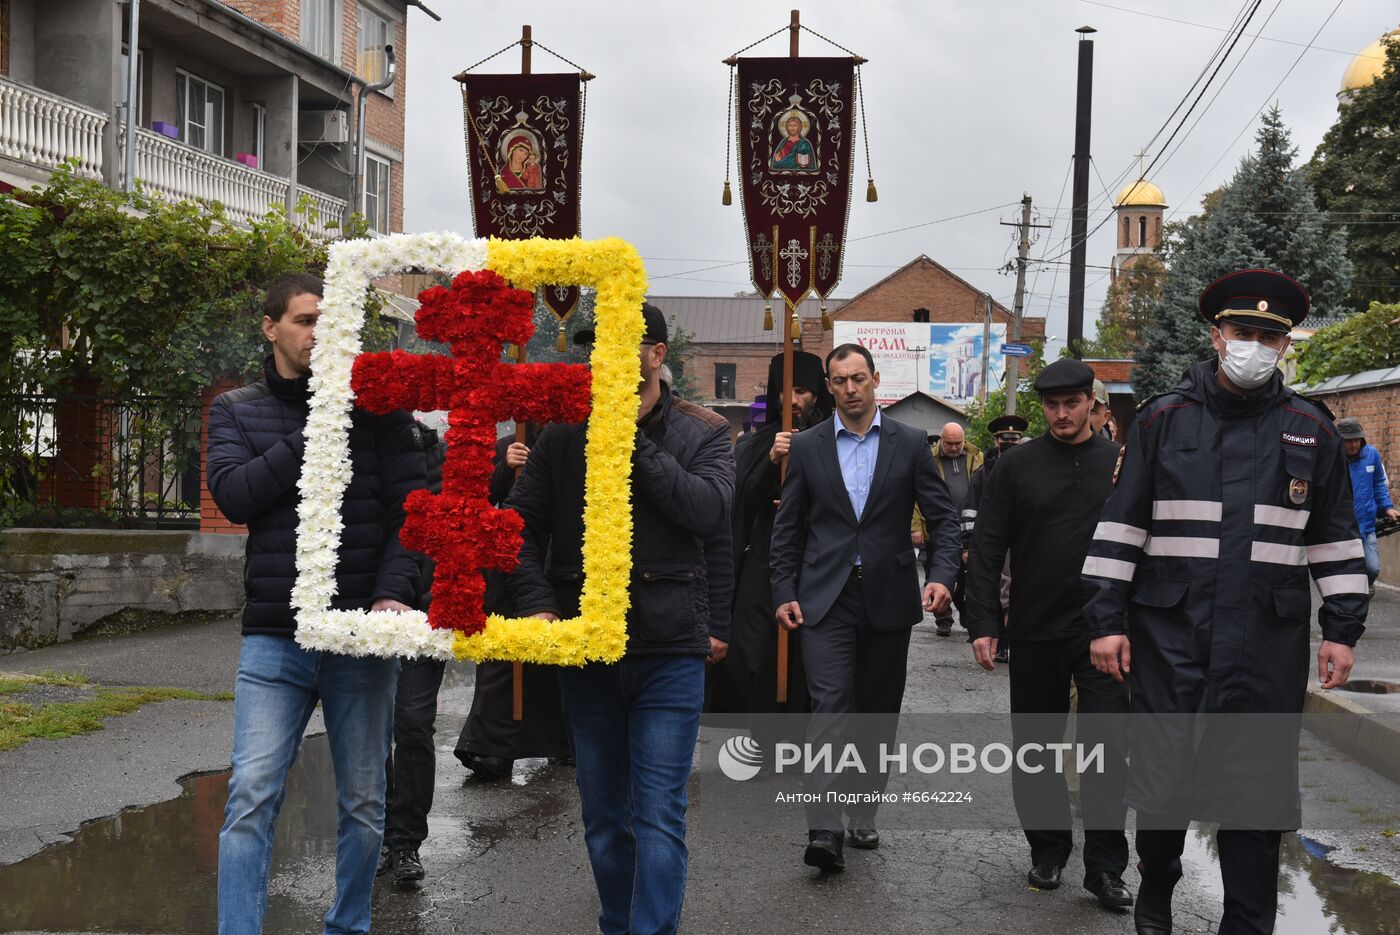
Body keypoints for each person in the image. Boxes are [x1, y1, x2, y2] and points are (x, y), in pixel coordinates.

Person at [1083, 269, 1369, 935]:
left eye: (1270, 337)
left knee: (1256, 798)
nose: (1255, 346)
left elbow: (1335, 539)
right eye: (1244, 332)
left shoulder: (1311, 429)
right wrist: (1105, 621)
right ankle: (1157, 885)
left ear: (1285, 345)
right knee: (1163, 787)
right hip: (1171, 641)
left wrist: (1342, 630)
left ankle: (1246, 923)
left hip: (1265, 648)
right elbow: (1121, 528)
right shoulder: (1164, 420)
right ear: (1217, 336)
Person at [208, 273, 425, 935]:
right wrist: (316, 429)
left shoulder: (380, 410)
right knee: (251, 795)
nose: (318, 333)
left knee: (363, 801)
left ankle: (348, 925)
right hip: (276, 637)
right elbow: (235, 496)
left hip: (359, 634)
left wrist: (392, 593)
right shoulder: (236, 409)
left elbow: (412, 514)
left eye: (329, 322)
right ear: (271, 327)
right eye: (305, 321)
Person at [507, 303, 734, 935]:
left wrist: (629, 440)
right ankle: (617, 923)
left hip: (669, 648)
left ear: (656, 355)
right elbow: (518, 529)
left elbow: (709, 514)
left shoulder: (705, 431)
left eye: (621, 344)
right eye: (596, 346)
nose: (602, 357)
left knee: (658, 812)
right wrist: (539, 603)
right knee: (605, 816)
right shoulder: (562, 434)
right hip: (588, 649)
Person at [770, 343, 960, 872]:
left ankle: (862, 810)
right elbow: (788, 529)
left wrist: (942, 576)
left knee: (877, 710)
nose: (850, 389)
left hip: (888, 596)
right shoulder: (808, 447)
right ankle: (824, 828)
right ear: (829, 387)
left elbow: (942, 519)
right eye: (840, 381)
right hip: (824, 597)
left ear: (876, 380)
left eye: (858, 378)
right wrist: (783, 591)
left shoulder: (909, 444)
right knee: (829, 706)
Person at [964, 359, 1132, 909]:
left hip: (1103, 630)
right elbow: (988, 545)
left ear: (1091, 403)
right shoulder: (1017, 466)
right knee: (1035, 747)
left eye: (1072, 403)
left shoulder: (1120, 464)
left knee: (1106, 749)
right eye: (1052, 405)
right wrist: (983, 623)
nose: (1062, 414)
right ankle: (1049, 849)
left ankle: (1106, 869)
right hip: (1035, 627)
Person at [708, 351, 832, 718]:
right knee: (753, 649)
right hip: (761, 557)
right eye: (784, 391)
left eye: (802, 392)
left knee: (807, 654)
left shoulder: (834, 439)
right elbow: (743, 497)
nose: (792, 400)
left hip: (816, 558)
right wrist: (772, 460)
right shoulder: (756, 442)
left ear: (817, 395)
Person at [454, 428, 571, 782]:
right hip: (509, 563)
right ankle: (493, 747)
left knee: (555, 659)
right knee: (503, 660)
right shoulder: (509, 445)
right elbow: (473, 501)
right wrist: (503, 468)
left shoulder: (568, 442)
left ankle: (563, 741)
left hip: (555, 560)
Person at [379, 418, 449, 888]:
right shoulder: (368, 450)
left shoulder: (441, 461)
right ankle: (378, 834)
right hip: (370, 613)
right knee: (371, 729)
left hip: (426, 615)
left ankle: (405, 841)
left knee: (412, 723)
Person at [964, 414, 1028, 664]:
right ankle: (999, 641)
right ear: (996, 440)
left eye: (1014, 439)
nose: (1009, 443)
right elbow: (970, 510)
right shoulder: (983, 474)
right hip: (993, 545)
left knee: (1015, 593)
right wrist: (968, 545)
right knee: (997, 593)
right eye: (1005, 439)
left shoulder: (1030, 468)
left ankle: (1010, 642)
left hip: (1022, 543)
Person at [911, 421, 982, 636]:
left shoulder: (976, 457)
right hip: (937, 529)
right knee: (937, 573)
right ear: (941, 440)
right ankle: (943, 618)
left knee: (968, 577)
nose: (953, 447)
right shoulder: (928, 458)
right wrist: (916, 526)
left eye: (958, 443)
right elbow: (915, 497)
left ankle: (966, 611)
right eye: (949, 443)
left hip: (969, 527)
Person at [1337, 417, 1398, 591]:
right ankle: (1352, 596)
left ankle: (1364, 587)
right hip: (1342, 527)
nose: (1354, 445)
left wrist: (1387, 507)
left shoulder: (1371, 455)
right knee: (1343, 570)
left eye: (1357, 440)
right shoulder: (1333, 460)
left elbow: (1378, 483)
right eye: (1349, 441)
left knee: (1372, 568)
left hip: (1367, 524)